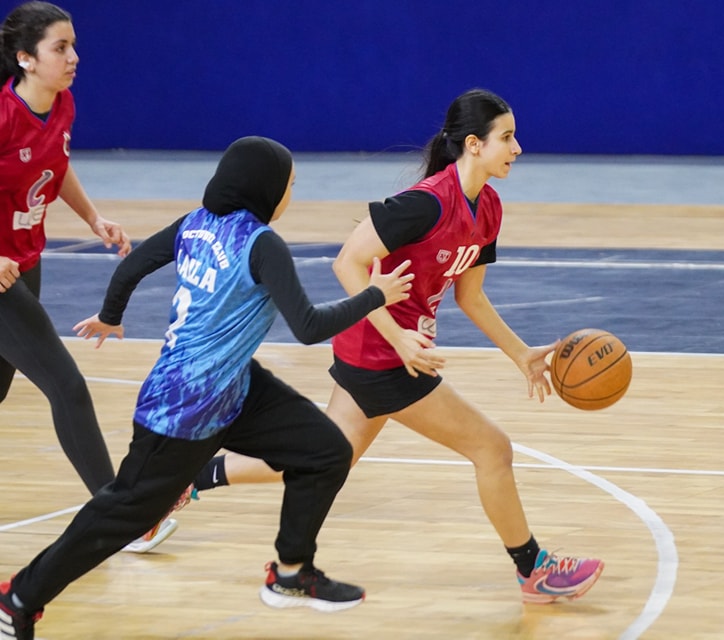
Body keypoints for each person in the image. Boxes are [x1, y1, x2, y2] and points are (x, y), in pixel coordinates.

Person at [191, 89, 604, 604]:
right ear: (474, 144)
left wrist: (520, 354)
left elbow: (471, 297)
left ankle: (193, 476)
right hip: (383, 356)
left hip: (385, 352)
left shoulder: (489, 208)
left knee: (328, 458)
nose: (517, 148)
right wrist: (399, 338)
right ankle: (533, 570)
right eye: (507, 137)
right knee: (492, 449)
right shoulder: (425, 203)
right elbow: (347, 262)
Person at [0, 135, 415, 639]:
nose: (292, 194)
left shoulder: (194, 223)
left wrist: (111, 315)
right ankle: (18, 599)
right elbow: (307, 327)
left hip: (235, 389)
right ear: (265, 188)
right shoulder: (263, 244)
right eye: (290, 185)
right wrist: (375, 295)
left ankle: (290, 573)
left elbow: (131, 266)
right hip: (183, 406)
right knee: (123, 514)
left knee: (326, 451)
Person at [0, 1, 180, 553]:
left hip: (26, 264)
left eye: (74, 45)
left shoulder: (61, 103)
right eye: (60, 48)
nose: (74, 56)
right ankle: (123, 519)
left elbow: (54, 166)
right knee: (68, 386)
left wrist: (93, 218)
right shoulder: (3, 116)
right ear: (26, 58)